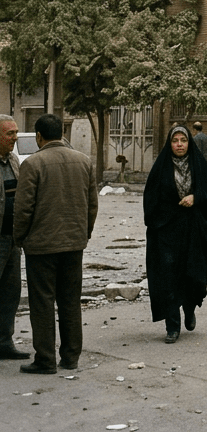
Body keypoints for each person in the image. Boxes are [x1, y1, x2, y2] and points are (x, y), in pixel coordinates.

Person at [13, 113, 98, 374]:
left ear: (39, 136)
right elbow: (92, 205)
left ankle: (46, 359)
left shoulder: (33, 164)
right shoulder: (83, 161)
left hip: (42, 247)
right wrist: (84, 234)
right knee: (70, 301)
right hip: (74, 244)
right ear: (62, 133)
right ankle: (71, 357)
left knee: (43, 303)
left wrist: (20, 238)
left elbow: (24, 208)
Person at [144, 125, 207, 343]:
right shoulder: (161, 168)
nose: (179, 144)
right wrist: (161, 220)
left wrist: (196, 197)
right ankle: (172, 326)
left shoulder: (198, 165)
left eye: (183, 140)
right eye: (175, 140)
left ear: (189, 143)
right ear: (170, 143)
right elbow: (150, 199)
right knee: (168, 276)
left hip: (193, 230)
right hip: (167, 232)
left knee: (194, 273)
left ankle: (190, 307)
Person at [0, 115, 29, 360]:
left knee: (10, 293)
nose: (15, 138)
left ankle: (4, 341)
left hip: (12, 238)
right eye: (10, 133)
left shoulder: (13, 160)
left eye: (16, 132)